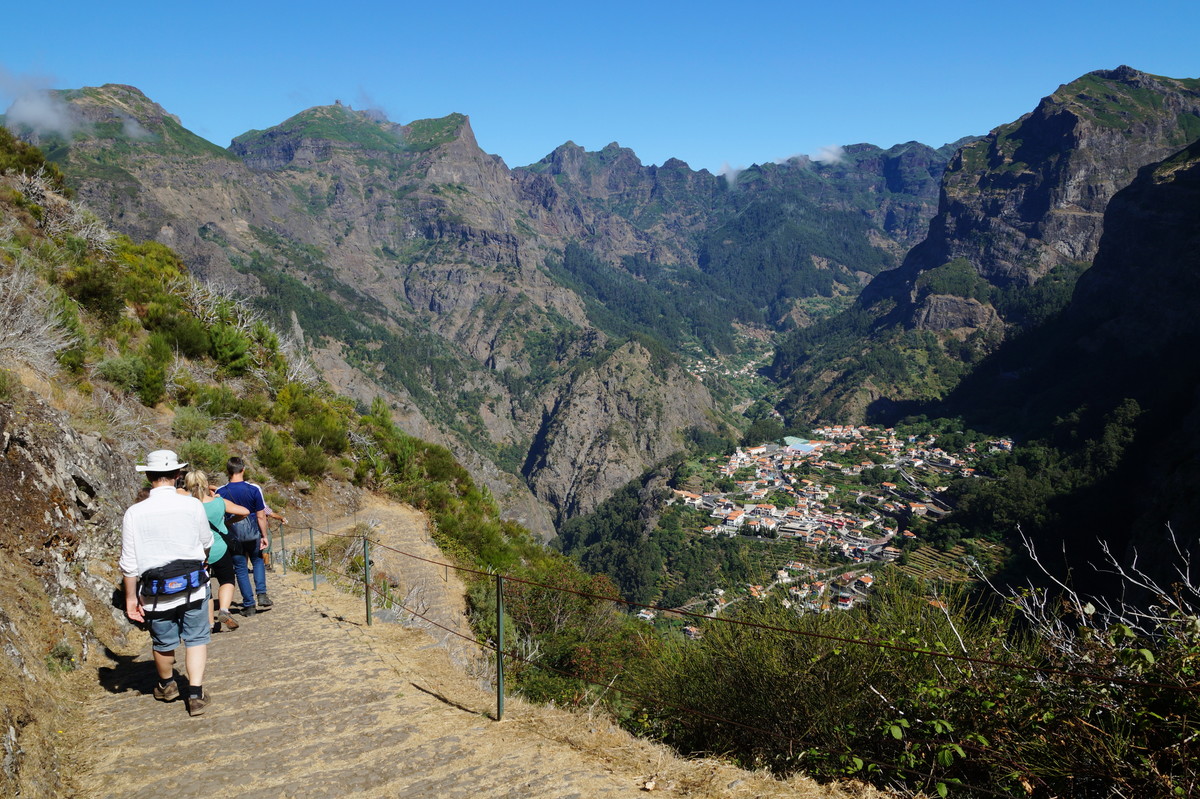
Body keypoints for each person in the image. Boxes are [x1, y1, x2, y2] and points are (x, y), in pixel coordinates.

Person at [119, 449, 213, 716]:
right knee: (196, 638)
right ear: (177, 474)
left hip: (155, 592)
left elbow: (129, 563)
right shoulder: (192, 505)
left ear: (149, 476)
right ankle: (195, 694)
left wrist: (130, 599)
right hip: (193, 586)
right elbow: (206, 543)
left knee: (163, 641)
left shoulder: (134, 513)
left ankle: (167, 685)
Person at [183, 470, 250, 632]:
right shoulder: (219, 502)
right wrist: (228, 522)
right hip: (219, 548)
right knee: (227, 580)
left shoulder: (185, 507)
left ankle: (210, 623)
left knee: (205, 587)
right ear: (206, 484)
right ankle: (224, 610)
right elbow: (245, 512)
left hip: (196, 552)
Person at [216, 457, 272, 615]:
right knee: (258, 561)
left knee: (241, 569)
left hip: (234, 536)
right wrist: (264, 535)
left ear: (228, 471)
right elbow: (261, 515)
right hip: (253, 533)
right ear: (243, 469)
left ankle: (249, 605)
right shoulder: (254, 489)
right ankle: (262, 594)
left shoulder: (220, 492)